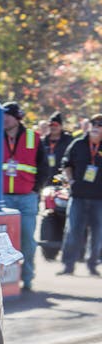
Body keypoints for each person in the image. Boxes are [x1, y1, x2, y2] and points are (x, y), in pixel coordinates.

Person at [0, 101, 48, 291]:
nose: (4, 119)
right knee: (0, 242)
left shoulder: (34, 138)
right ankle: (2, 281)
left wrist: (36, 189)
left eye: (8, 115)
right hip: (1, 199)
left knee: (27, 240)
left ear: (18, 117)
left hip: (27, 198)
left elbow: (43, 166)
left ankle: (27, 278)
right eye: (2, 115)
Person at [56, 113, 102, 276]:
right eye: (94, 123)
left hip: (99, 199)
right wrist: (71, 180)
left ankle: (92, 265)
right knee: (73, 231)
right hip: (78, 196)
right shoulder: (78, 144)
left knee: (97, 234)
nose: (96, 127)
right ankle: (68, 266)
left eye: (100, 125)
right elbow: (66, 163)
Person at [42, 112, 73, 179]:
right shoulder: (43, 141)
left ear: (61, 126)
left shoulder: (69, 140)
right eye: (51, 124)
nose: (53, 127)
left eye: (55, 125)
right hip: (46, 178)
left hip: (63, 177)